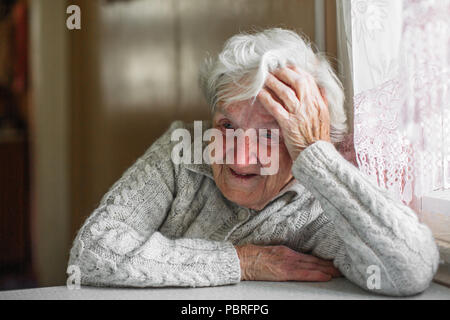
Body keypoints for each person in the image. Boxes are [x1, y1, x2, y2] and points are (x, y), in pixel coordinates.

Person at [68, 28, 439, 296]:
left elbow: (410, 266)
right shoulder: (181, 154)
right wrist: (244, 261)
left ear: (309, 136)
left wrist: (316, 155)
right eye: (228, 125)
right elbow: (92, 254)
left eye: (270, 134)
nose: (241, 157)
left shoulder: (318, 204)